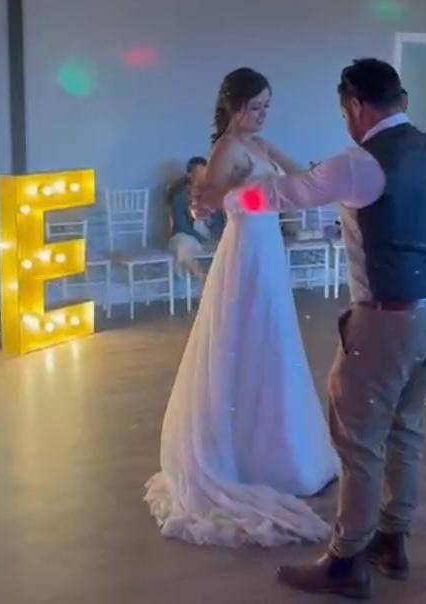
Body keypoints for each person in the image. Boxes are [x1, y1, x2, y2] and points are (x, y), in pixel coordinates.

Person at [195, 58, 426, 599]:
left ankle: (346, 560)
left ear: (357, 107)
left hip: (388, 318)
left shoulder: (359, 163)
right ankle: (393, 539)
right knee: (405, 428)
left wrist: (228, 199)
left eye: (344, 111)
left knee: (357, 438)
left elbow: (281, 195)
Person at [144, 68, 339, 550]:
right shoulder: (227, 149)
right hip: (247, 247)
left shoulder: (259, 146)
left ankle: (281, 450)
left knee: (273, 341)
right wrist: (211, 200)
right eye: (255, 107)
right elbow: (204, 208)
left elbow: (298, 180)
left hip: (268, 247)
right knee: (245, 339)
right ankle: (239, 456)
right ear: (233, 107)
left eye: (267, 106)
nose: (263, 114)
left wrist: (290, 167)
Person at [166, 156, 211, 279]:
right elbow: (181, 225)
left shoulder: (212, 194)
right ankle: (200, 275)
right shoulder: (179, 196)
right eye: (198, 173)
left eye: (205, 172)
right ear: (190, 175)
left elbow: (218, 222)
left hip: (206, 235)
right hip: (185, 235)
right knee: (184, 244)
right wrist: (201, 239)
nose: (202, 176)